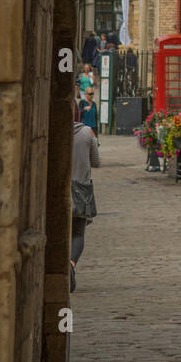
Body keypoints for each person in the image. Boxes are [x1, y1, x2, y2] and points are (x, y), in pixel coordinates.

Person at [71, 112, 100, 292]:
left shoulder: (51, 131)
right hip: (81, 189)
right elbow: (96, 162)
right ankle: (71, 264)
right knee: (78, 233)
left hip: (58, 187)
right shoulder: (87, 132)